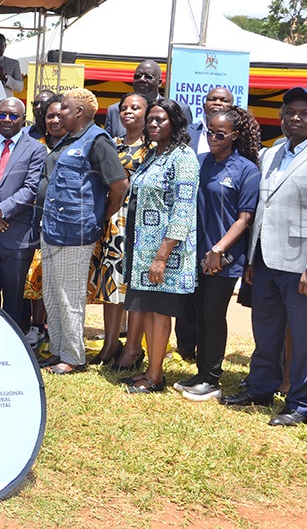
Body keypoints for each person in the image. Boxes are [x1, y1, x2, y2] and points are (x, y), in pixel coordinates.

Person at [222, 87, 307, 426]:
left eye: (304, 112)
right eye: (289, 111)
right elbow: (263, 208)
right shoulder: (273, 152)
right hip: (265, 260)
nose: (295, 117)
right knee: (265, 331)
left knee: (306, 338)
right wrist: (251, 259)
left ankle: (301, 405)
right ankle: (261, 388)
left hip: (302, 264)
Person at [37, 88, 128, 375]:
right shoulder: (67, 139)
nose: (58, 112)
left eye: (64, 108)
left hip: (76, 232)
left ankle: (74, 357)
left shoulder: (97, 140)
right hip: (52, 228)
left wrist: (99, 217)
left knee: (70, 296)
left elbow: (119, 186)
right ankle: (58, 350)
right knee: (52, 292)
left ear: (79, 112)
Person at [174, 105, 260, 401]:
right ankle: (200, 373)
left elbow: (244, 219)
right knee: (197, 314)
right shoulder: (198, 162)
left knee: (213, 315)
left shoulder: (246, 170)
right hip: (194, 254)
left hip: (224, 258)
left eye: (220, 134)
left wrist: (218, 249)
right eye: (209, 132)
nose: (212, 137)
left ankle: (211, 379)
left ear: (235, 135)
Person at [118, 98, 198, 393]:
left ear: (175, 123)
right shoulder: (153, 154)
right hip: (144, 250)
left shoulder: (184, 157)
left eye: (159, 120)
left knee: (159, 312)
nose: (152, 124)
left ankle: (154, 376)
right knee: (149, 309)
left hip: (167, 253)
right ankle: (152, 372)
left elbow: (183, 210)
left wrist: (162, 256)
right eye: (150, 119)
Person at [0, 97, 46, 329]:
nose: (6, 119)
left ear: (24, 119)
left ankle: (15, 344)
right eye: (2, 114)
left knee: (15, 299)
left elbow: (31, 188)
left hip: (17, 235)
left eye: (13, 115)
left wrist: (1, 211)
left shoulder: (36, 148)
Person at [90, 93, 151, 367]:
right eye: (124, 108)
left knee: (134, 288)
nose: (128, 112)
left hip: (139, 223)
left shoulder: (154, 148)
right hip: (113, 221)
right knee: (111, 285)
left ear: (146, 114)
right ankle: (110, 343)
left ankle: (133, 346)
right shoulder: (111, 144)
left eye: (135, 108)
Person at [23, 96, 66, 347]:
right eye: (50, 116)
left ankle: (57, 327)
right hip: (35, 218)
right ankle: (37, 326)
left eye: (60, 115)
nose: (55, 120)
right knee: (37, 274)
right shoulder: (33, 144)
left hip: (67, 224)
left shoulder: (77, 144)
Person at [104, 60, 192, 137]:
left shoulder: (179, 110)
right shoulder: (115, 111)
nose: (142, 79)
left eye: (148, 77)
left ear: (160, 82)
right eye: (137, 76)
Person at [187, 87, 234, 155]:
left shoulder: (238, 134)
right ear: (204, 106)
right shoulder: (187, 131)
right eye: (212, 99)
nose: (217, 103)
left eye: (224, 100)